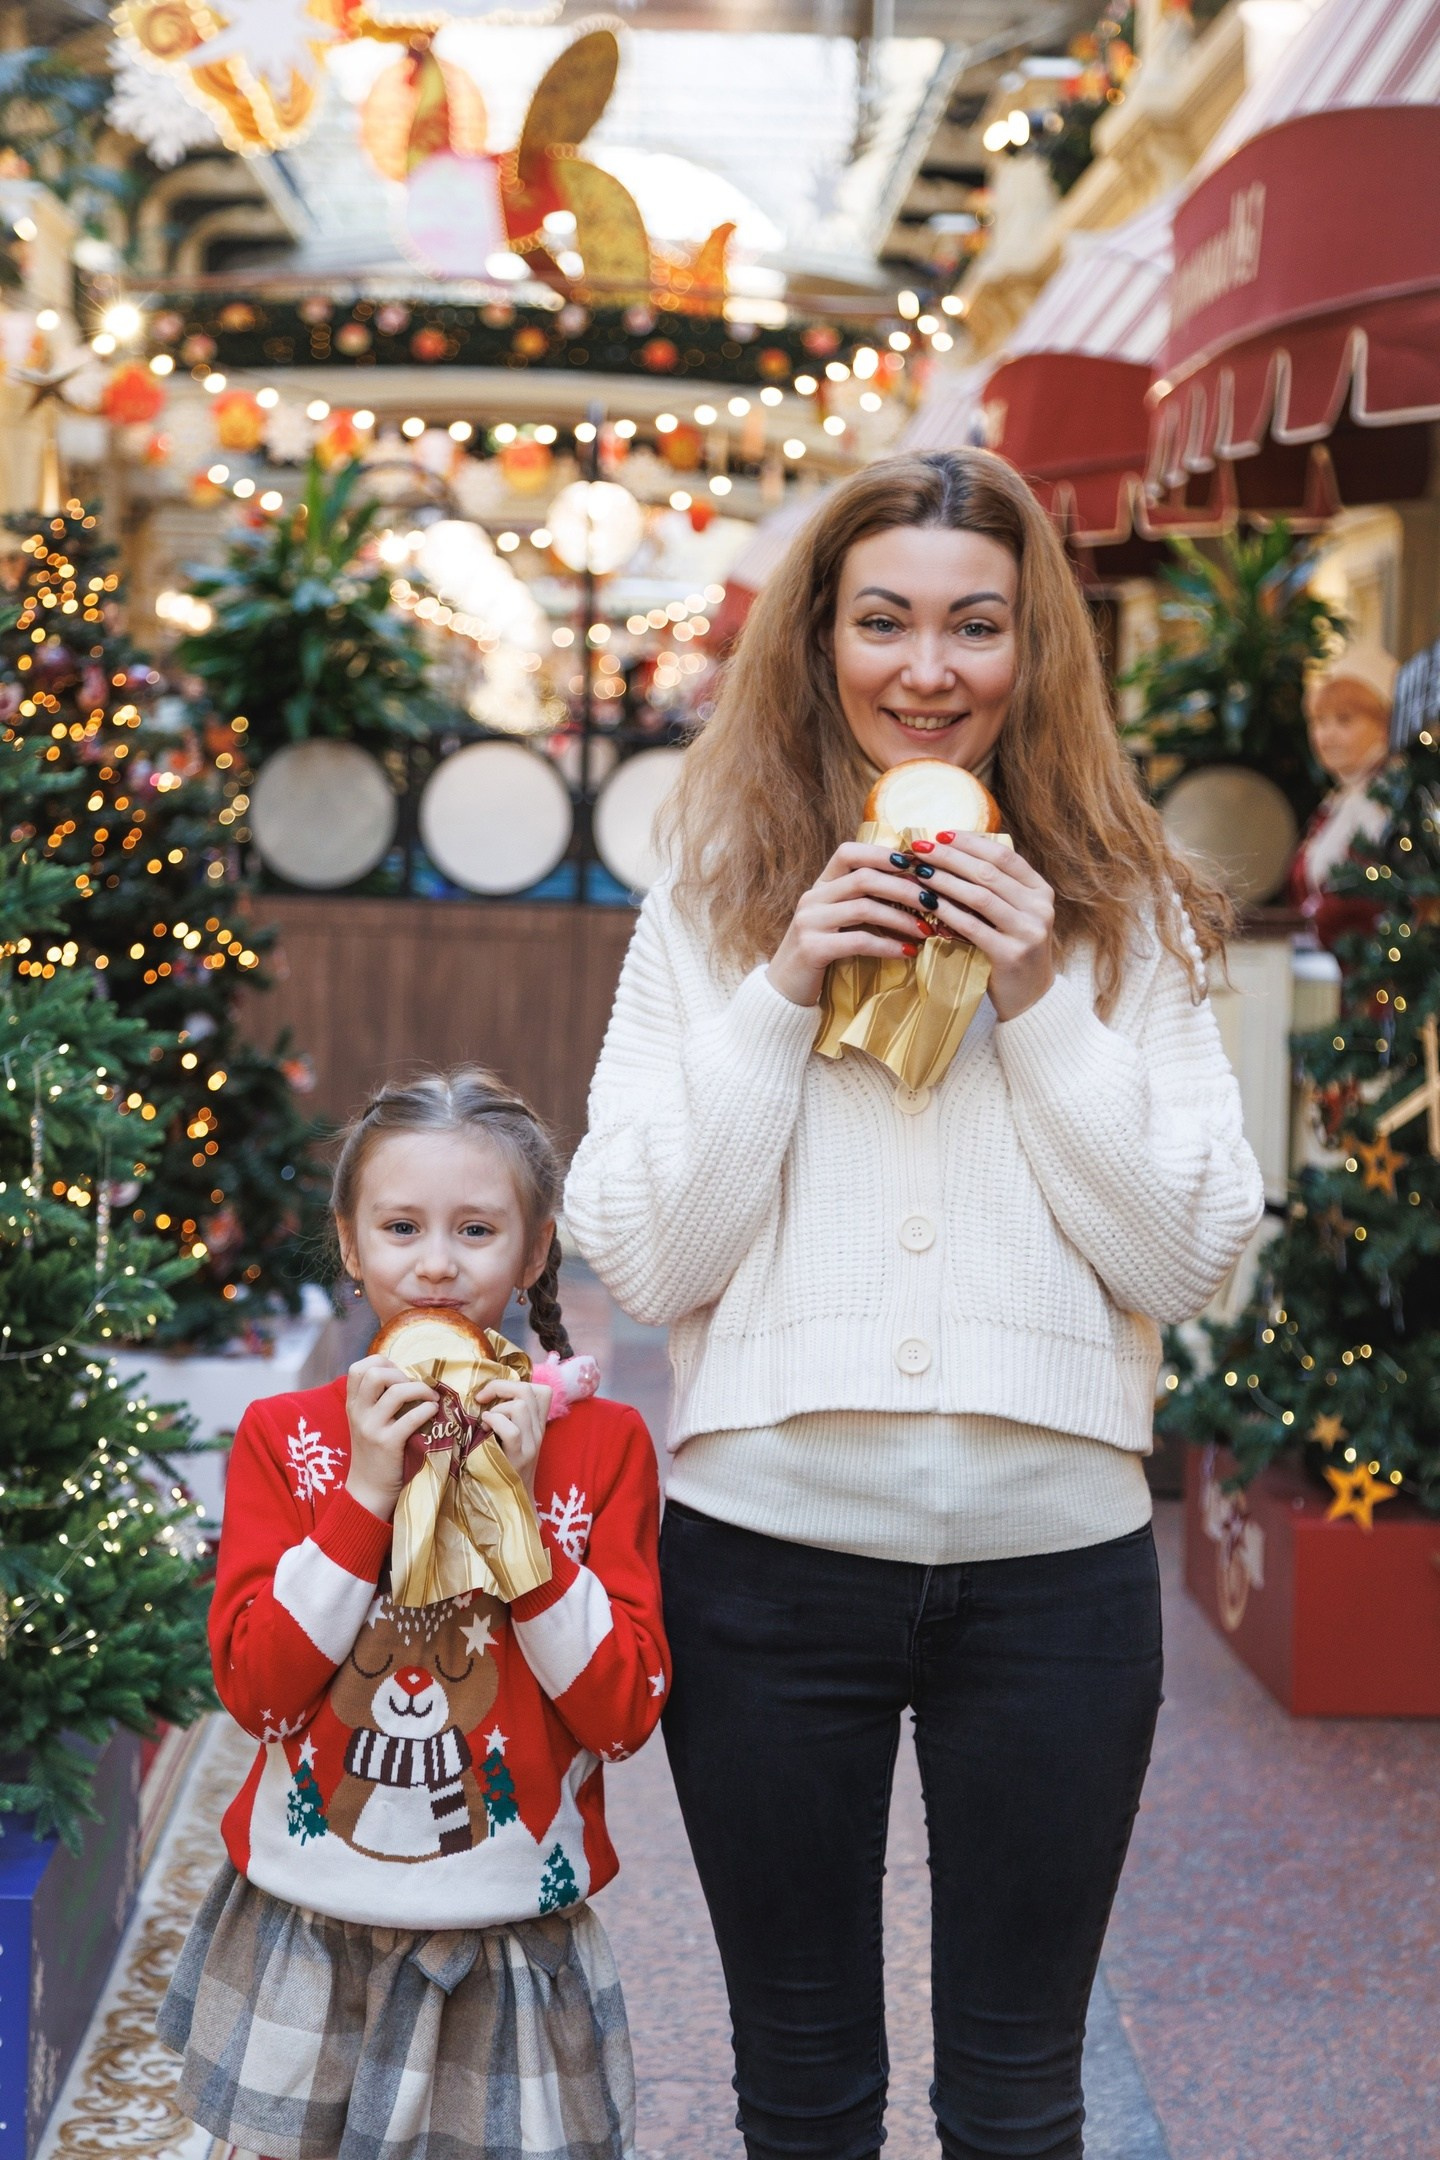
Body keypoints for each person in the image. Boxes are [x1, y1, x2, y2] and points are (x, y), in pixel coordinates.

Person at [565, 450, 1264, 2160]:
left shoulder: (1128, 912)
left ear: (1037, 653)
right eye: (883, 621)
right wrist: (786, 987)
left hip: (1055, 1574)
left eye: (975, 625)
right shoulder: (719, 903)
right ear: (821, 644)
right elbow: (646, 1257)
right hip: (769, 1559)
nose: (926, 671)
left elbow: (1193, 1259)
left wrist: (1040, 997)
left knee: (1021, 2101)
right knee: (801, 2096)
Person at [158, 1068, 668, 2160]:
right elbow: (254, 1692)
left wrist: (518, 1522)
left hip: (509, 1936)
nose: (435, 1262)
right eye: (401, 1226)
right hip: (306, 1922)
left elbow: (624, 1714)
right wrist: (366, 1493)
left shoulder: (602, 1447)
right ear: (350, 1244)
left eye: (477, 1229)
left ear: (534, 1255)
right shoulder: (284, 1438)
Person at [1289, 639, 1398, 951]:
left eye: (1344, 720)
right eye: (1319, 721)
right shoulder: (1338, 802)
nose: (1326, 735)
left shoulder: (1389, 802)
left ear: (1383, 726)